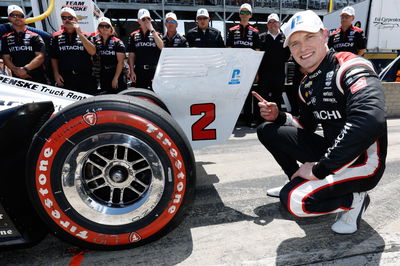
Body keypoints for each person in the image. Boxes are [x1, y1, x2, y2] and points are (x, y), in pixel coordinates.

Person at [255, 10, 387, 234]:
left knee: (294, 201)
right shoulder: (306, 84)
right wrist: (278, 116)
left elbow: (370, 119)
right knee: (267, 130)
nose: (302, 48)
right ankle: (296, 180)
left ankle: (355, 199)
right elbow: (305, 126)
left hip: (364, 163)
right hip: (331, 154)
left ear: (324, 35)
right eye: (295, 43)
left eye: (309, 37)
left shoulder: (351, 66)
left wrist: (319, 169)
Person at [226, 3, 260, 127]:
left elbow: (256, 53)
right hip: (235, 69)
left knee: (248, 95)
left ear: (250, 15)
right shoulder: (232, 30)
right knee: (233, 95)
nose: (244, 15)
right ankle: (232, 119)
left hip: (248, 69)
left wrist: (255, 71)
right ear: (239, 14)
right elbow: (228, 51)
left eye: (247, 13)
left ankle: (249, 119)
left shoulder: (255, 32)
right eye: (242, 12)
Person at [50, 7, 96, 94]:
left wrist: (80, 34)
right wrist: (56, 74)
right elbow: (54, 57)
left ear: (76, 19)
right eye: (64, 18)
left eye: (70, 18)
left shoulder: (87, 35)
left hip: (85, 76)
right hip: (65, 77)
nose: (67, 20)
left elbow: (93, 52)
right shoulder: (55, 36)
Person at [1, 5, 47, 83]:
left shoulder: (35, 36)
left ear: (24, 18)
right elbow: (6, 57)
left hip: (37, 78)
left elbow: (40, 57)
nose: (17, 18)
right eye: (14, 15)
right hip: (17, 78)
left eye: (20, 15)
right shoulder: (5, 38)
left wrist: (25, 69)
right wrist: (16, 70)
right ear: (9, 18)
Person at [258, 13, 290, 110]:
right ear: (267, 25)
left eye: (275, 22)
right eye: (270, 22)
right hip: (264, 74)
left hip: (279, 74)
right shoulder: (261, 37)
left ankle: (276, 121)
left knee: (277, 98)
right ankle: (261, 121)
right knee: (262, 98)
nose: (272, 24)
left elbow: (287, 55)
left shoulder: (285, 38)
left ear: (279, 23)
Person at [127, 9, 163, 90]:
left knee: (155, 95)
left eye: (148, 19)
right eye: (143, 19)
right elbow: (131, 55)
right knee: (140, 95)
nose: (146, 21)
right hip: (139, 71)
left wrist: (152, 30)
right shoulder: (133, 35)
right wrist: (132, 71)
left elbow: (162, 47)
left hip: (154, 71)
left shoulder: (157, 34)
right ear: (138, 21)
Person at [93, 17, 127, 94]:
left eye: (107, 26)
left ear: (111, 28)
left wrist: (115, 78)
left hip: (117, 74)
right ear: (98, 29)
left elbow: (120, 62)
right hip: (103, 74)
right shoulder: (96, 42)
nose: (104, 28)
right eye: (102, 26)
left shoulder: (118, 42)